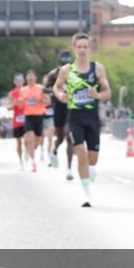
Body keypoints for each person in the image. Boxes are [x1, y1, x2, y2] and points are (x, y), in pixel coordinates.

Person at [54, 32, 111, 207]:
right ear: (74, 48)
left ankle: (90, 169)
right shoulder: (67, 70)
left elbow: (108, 93)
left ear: (90, 48)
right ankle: (87, 195)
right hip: (75, 116)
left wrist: (98, 94)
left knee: (92, 159)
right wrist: (61, 95)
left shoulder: (97, 68)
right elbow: (56, 87)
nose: (82, 50)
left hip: (92, 116)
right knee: (80, 154)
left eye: (85, 47)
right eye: (79, 47)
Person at [45, 50, 75, 180]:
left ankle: (69, 168)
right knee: (61, 138)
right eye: (63, 62)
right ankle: (55, 150)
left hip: (71, 106)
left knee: (70, 137)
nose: (65, 64)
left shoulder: (75, 72)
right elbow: (45, 88)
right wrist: (55, 91)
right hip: (58, 107)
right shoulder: (53, 74)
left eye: (67, 62)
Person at [20, 70, 48, 172]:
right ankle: (33, 162)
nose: (30, 78)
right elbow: (21, 104)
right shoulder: (23, 90)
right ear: (26, 78)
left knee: (38, 140)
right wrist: (18, 102)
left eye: (32, 76)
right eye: (29, 76)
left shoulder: (41, 88)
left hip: (39, 115)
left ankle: (35, 149)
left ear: (35, 78)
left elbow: (47, 101)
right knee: (30, 136)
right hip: (28, 116)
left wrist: (41, 100)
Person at [8, 73, 27, 170]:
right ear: (14, 82)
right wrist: (14, 104)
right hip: (17, 120)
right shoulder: (12, 93)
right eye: (17, 81)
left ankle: (27, 151)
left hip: (27, 118)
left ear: (24, 81)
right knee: (18, 142)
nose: (19, 83)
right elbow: (8, 107)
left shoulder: (27, 91)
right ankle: (21, 161)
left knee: (27, 139)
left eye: (21, 80)